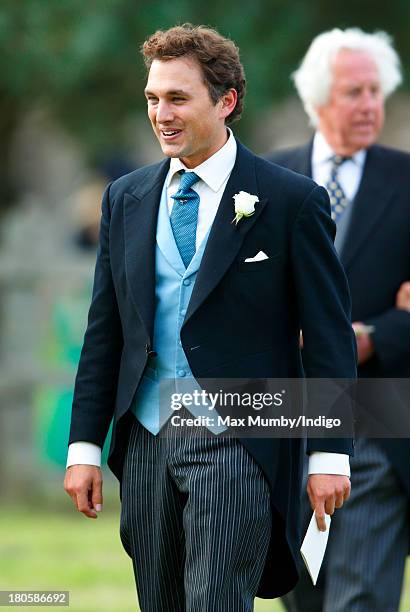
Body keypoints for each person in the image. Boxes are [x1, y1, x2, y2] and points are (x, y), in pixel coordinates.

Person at [64, 24, 357, 611]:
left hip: (239, 440)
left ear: (225, 102)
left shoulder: (290, 200)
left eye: (177, 98)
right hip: (145, 441)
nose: (161, 114)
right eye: (152, 98)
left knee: (217, 602)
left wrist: (330, 454)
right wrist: (84, 447)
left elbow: (328, 336)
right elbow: (107, 332)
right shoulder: (125, 197)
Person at [267, 27, 410, 612]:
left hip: (379, 412)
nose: (371, 105)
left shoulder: (407, 181)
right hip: (283, 416)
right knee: (302, 596)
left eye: (378, 91)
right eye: (355, 91)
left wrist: (374, 336)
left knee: (361, 599)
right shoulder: (267, 181)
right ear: (320, 98)